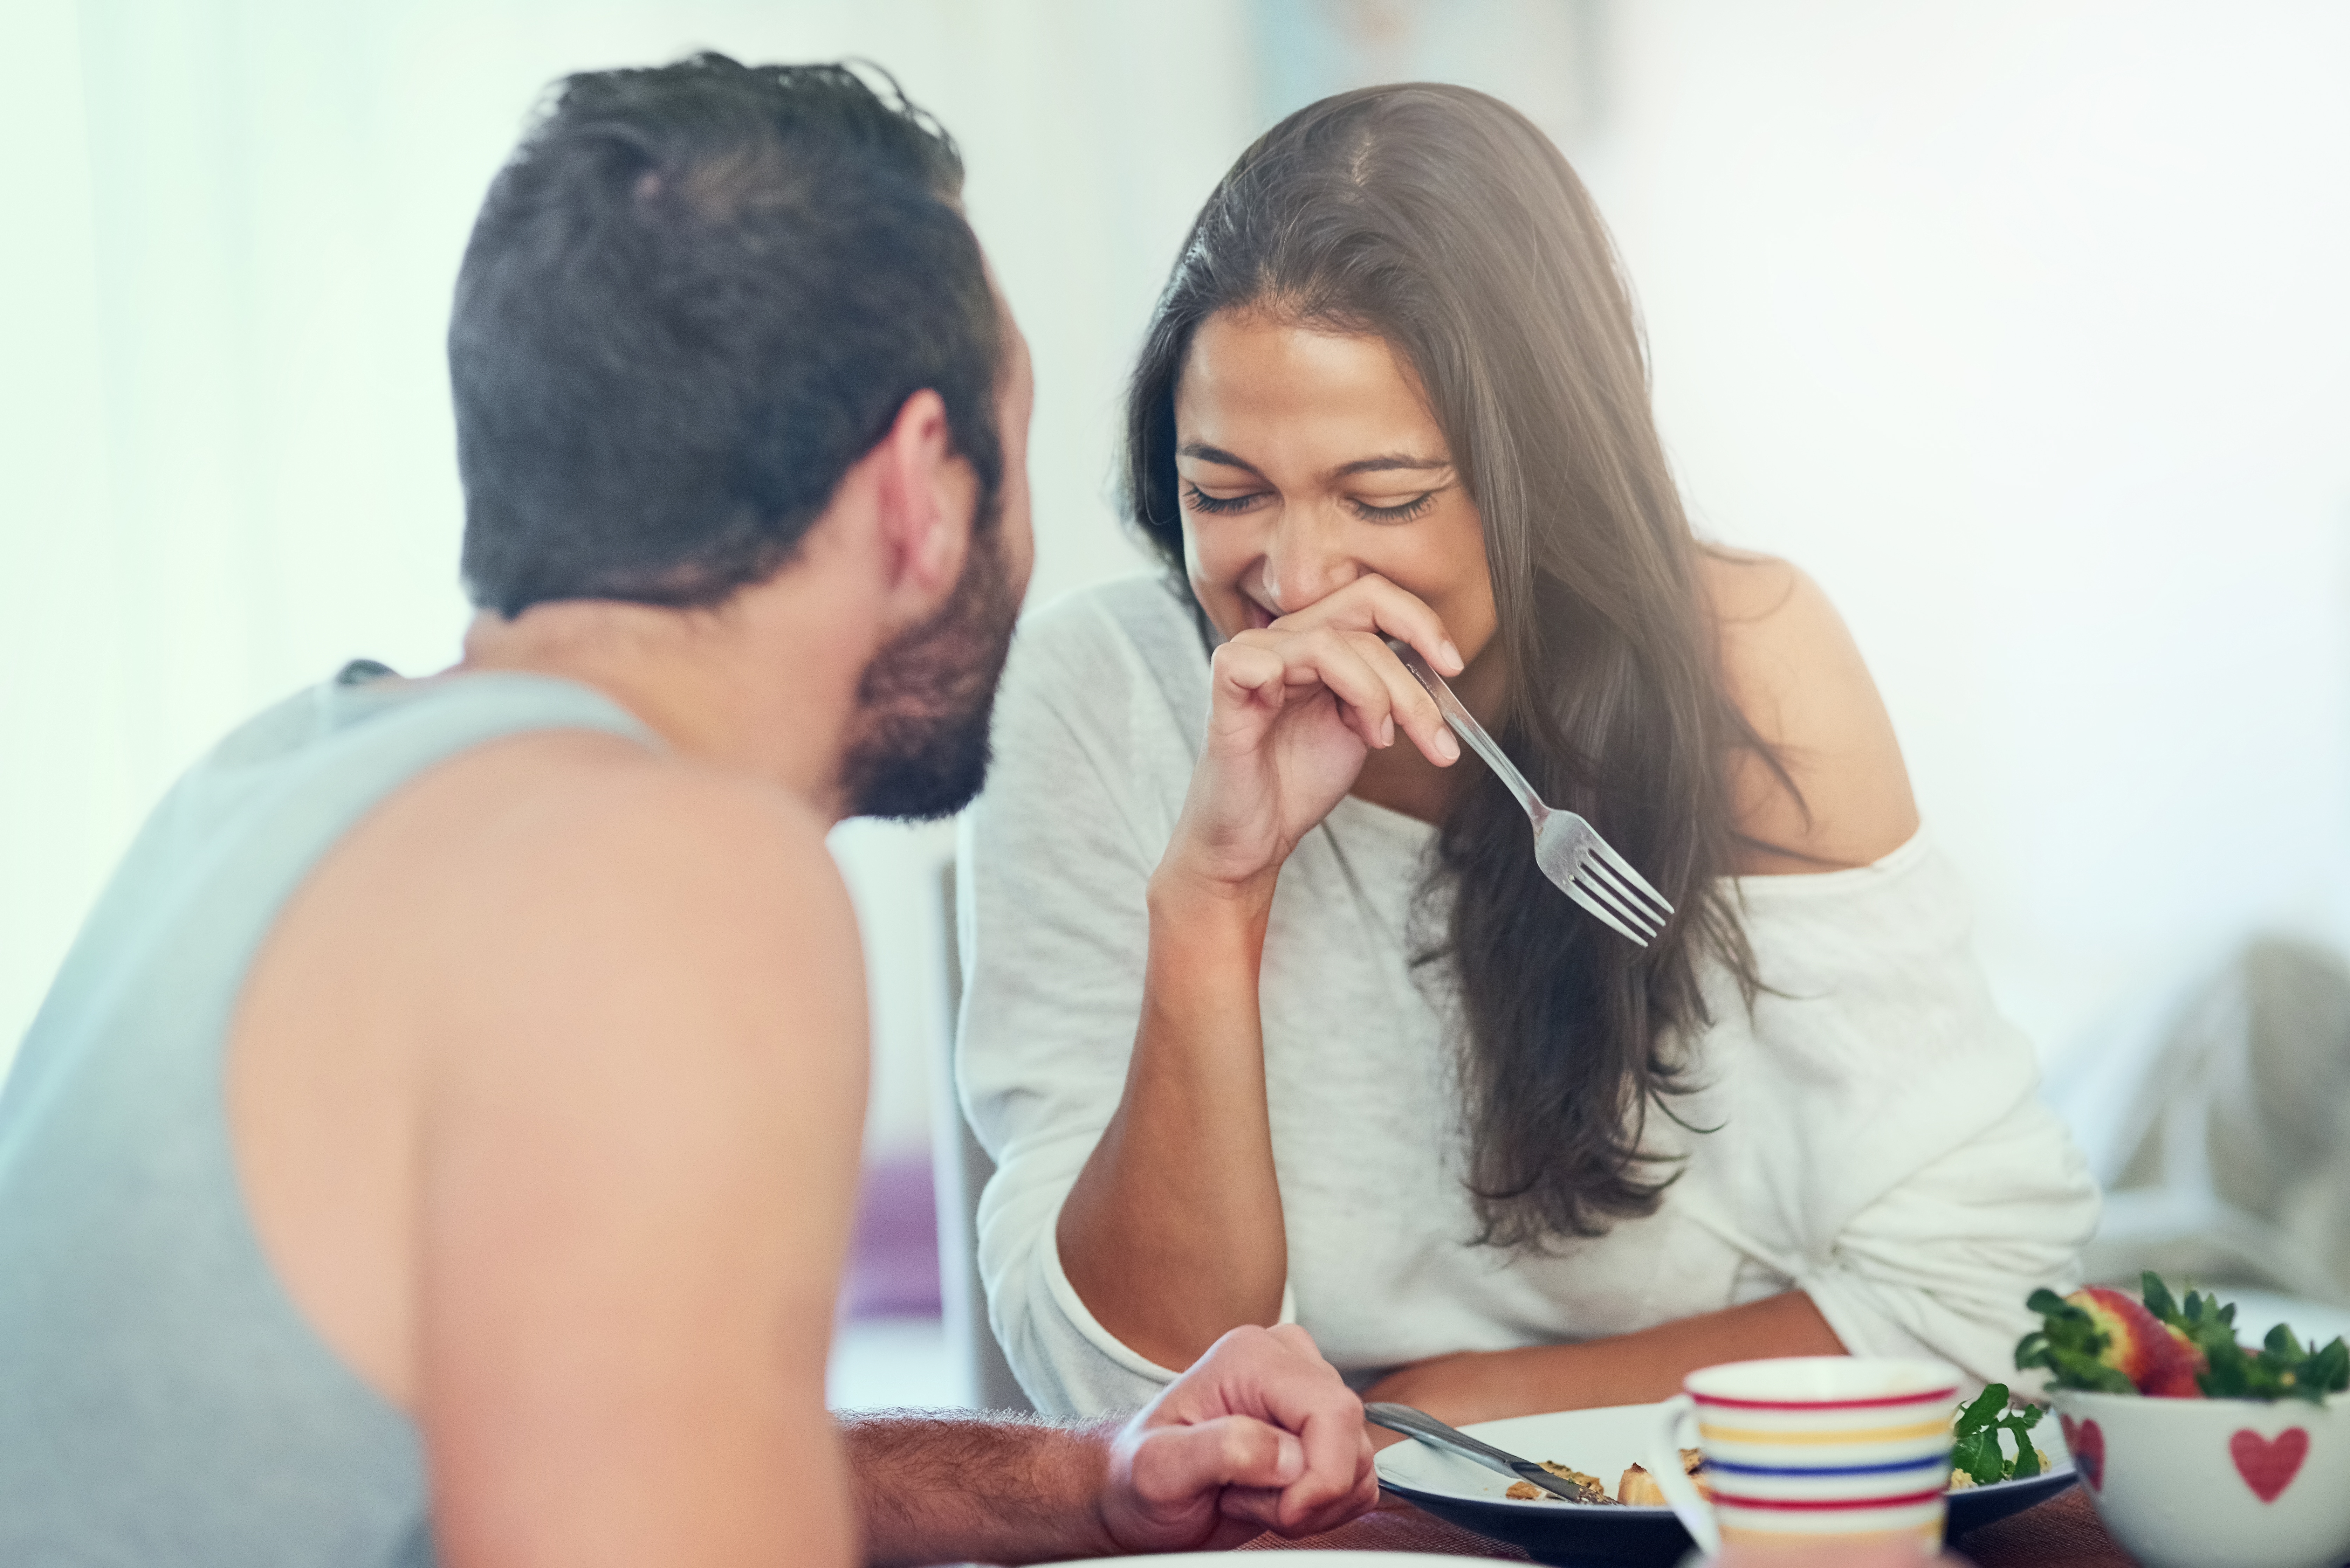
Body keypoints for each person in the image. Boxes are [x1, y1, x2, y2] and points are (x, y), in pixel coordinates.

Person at [0, 56, 1375, 1566]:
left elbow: (582, 1442)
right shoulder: (672, 877)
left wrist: (1087, 1477)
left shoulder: (290, 778)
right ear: (922, 487)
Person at [956, 83, 2101, 1423]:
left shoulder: (1746, 663)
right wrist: (1216, 895)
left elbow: (1995, 1300)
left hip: (1655, 1495)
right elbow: (1122, 1392)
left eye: (1381, 499)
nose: (1297, 577)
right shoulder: (1099, 696)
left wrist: (1446, 1410)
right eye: (1224, 493)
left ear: (1547, 472)